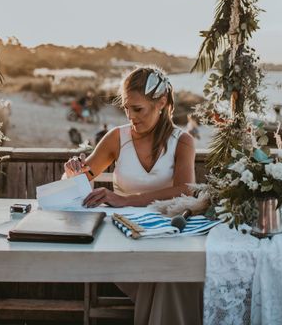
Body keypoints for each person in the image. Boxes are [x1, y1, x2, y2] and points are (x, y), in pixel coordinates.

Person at [63, 66, 200, 325]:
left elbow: (185, 190)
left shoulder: (183, 142)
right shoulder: (117, 137)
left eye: (138, 109)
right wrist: (73, 173)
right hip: (122, 236)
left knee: (173, 274)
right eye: (126, 108)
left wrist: (125, 200)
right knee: (170, 275)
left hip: (166, 232)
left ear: (161, 103)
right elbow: (79, 180)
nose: (130, 116)